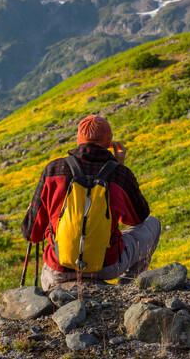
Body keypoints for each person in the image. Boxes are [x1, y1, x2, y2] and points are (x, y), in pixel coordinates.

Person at [22, 114, 161, 291]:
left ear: (78, 140)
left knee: (53, 253)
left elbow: (31, 233)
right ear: (110, 143)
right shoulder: (120, 175)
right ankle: (127, 290)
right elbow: (138, 218)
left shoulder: (54, 170)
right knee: (153, 224)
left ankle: (55, 289)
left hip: (58, 270)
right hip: (108, 266)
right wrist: (120, 165)